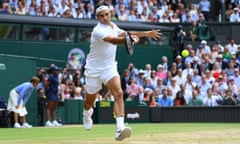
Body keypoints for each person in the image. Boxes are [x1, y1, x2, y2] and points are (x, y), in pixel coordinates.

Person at [82, 3, 161, 141]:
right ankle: (87, 113)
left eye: (106, 14)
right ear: (98, 18)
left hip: (109, 68)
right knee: (89, 101)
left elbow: (125, 34)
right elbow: (113, 40)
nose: (104, 18)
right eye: (101, 16)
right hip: (93, 69)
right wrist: (129, 41)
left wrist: (146, 34)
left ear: (110, 13)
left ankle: (120, 129)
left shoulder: (113, 26)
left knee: (118, 93)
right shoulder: (98, 30)